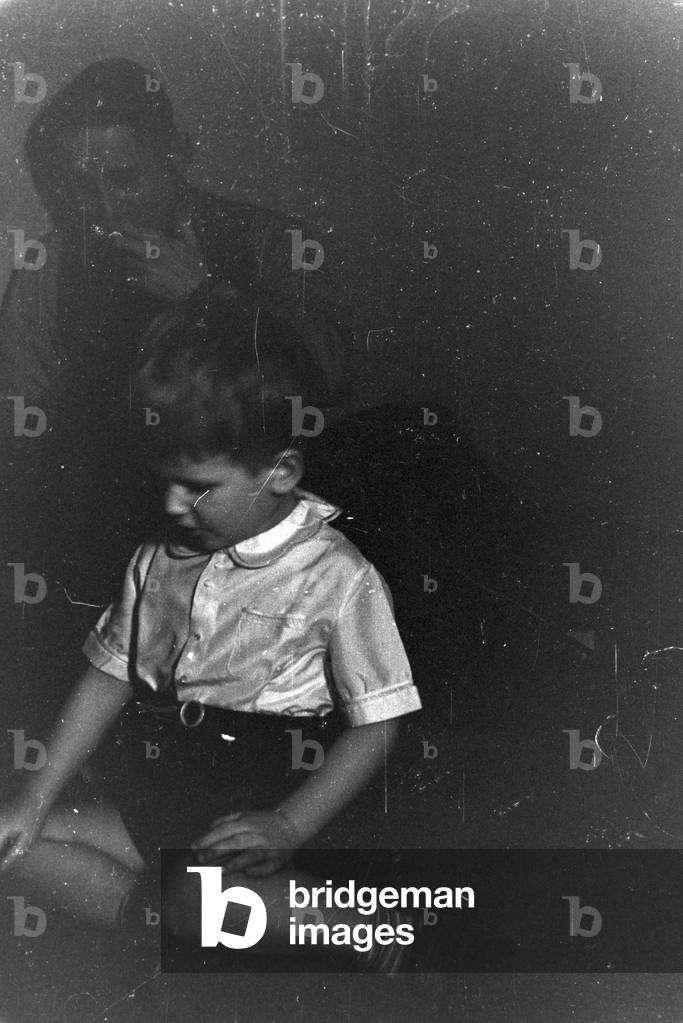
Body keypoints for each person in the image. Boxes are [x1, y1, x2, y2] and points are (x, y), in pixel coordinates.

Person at [0, 301, 421, 971]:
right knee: (13, 843)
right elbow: (108, 674)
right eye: (163, 482)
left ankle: (317, 919)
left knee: (200, 894)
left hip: (264, 797)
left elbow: (378, 726)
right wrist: (39, 790)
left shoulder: (340, 575)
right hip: (165, 790)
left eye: (196, 488)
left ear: (279, 472)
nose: (171, 506)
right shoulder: (157, 557)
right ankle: (194, 917)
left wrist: (288, 824)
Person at [0, 57, 349, 617]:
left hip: (264, 532)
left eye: (123, 179)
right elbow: (19, 419)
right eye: (83, 188)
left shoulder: (272, 241)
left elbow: (330, 375)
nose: (105, 210)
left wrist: (205, 294)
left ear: (178, 156)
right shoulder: (50, 265)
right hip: (111, 533)